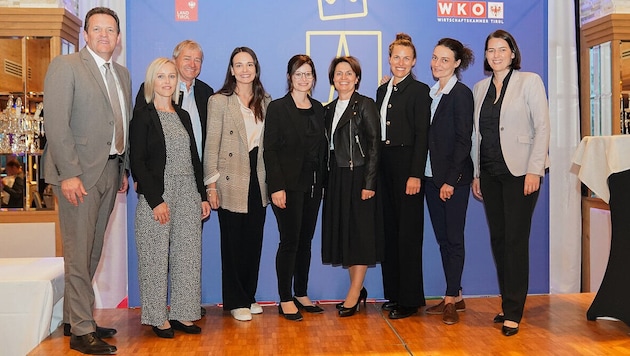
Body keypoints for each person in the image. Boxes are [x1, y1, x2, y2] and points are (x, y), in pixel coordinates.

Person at [42, 7, 131, 355]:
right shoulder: (66, 67)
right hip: (78, 176)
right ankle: (81, 331)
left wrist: (122, 170)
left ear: (118, 37)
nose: (105, 35)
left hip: (110, 171)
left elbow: (119, 124)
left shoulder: (120, 74)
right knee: (79, 254)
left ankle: (74, 318)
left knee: (92, 251)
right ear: (86, 34)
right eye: (98, 29)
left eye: (111, 30)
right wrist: (69, 175)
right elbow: (58, 125)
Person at [471, 29, 550, 336]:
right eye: (491, 50)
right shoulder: (479, 88)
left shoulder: (529, 81)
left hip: (521, 174)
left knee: (515, 242)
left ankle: (514, 311)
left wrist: (535, 170)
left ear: (513, 53)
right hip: (490, 174)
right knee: (499, 240)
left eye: (502, 49)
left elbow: (542, 127)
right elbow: (476, 135)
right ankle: (507, 301)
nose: (496, 55)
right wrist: (477, 172)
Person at [130, 57, 211, 338]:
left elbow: (194, 159)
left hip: (188, 191)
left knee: (188, 255)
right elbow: (137, 161)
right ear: (152, 81)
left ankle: (183, 313)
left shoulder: (184, 116)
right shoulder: (143, 115)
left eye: (172, 77)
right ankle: (156, 316)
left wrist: (202, 195)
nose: (167, 82)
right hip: (159, 193)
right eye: (161, 76)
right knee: (154, 257)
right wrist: (156, 200)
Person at [204, 47, 271, 322]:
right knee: (233, 243)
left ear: (256, 68)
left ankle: (249, 296)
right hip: (230, 177)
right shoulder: (219, 101)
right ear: (231, 70)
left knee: (253, 241)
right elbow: (211, 144)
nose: (245, 70)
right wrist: (211, 185)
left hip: (258, 176)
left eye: (249, 64)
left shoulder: (265, 101)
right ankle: (235, 300)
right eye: (239, 65)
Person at [264, 55, 327, 321]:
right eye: (298, 73)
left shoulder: (319, 108)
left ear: (314, 77)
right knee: (289, 241)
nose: (304, 78)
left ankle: (301, 292)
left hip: (314, 185)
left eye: (308, 74)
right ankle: (285, 298)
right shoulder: (278, 108)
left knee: (305, 242)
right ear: (290, 77)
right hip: (287, 187)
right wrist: (276, 187)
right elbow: (270, 150)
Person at [321, 56, 381, 318]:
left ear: (357, 78)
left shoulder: (365, 105)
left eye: (349, 73)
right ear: (332, 79)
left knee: (360, 236)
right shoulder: (328, 109)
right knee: (347, 234)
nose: (343, 77)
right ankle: (357, 289)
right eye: (338, 74)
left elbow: (374, 146)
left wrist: (369, 183)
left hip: (359, 177)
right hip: (337, 177)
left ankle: (354, 293)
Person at [376, 33, 431, 319]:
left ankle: (410, 300)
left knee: (408, 234)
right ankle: (394, 294)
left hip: (407, 165)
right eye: (396, 57)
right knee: (390, 233)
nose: (400, 62)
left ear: (414, 62)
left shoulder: (421, 91)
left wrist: (415, 174)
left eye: (406, 58)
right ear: (389, 58)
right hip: (384, 166)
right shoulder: (382, 90)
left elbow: (423, 135)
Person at [423, 38, 474, 325]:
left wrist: (451, 181)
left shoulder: (461, 94)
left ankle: (451, 298)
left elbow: (462, 141)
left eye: (444, 59)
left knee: (454, 239)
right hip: (430, 178)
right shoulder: (432, 94)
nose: (437, 64)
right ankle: (454, 294)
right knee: (443, 240)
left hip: (451, 181)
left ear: (456, 63)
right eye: (434, 57)